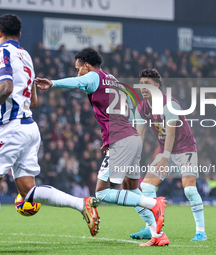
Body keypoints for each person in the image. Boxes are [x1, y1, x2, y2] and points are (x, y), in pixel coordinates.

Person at [0, 14, 100, 255]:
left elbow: (5, 87)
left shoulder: (0, 53)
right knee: (27, 190)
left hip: (11, 129)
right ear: (20, 34)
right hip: (28, 127)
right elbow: (32, 100)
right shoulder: (26, 56)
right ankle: (82, 203)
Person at [35, 47, 166, 246]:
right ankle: (156, 233)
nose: (78, 72)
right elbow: (129, 110)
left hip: (122, 140)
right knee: (131, 188)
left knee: (102, 192)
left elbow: (77, 82)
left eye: (78, 68)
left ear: (87, 66)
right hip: (131, 137)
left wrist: (53, 83)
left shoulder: (94, 77)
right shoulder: (114, 80)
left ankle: (153, 204)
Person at [130, 68, 207, 245]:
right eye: (141, 84)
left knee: (189, 189)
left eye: (147, 84)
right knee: (147, 186)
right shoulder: (141, 108)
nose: (143, 88)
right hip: (166, 149)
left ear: (157, 86)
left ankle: (201, 232)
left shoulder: (169, 103)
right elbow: (139, 135)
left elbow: (171, 133)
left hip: (185, 148)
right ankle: (150, 227)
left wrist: (164, 157)